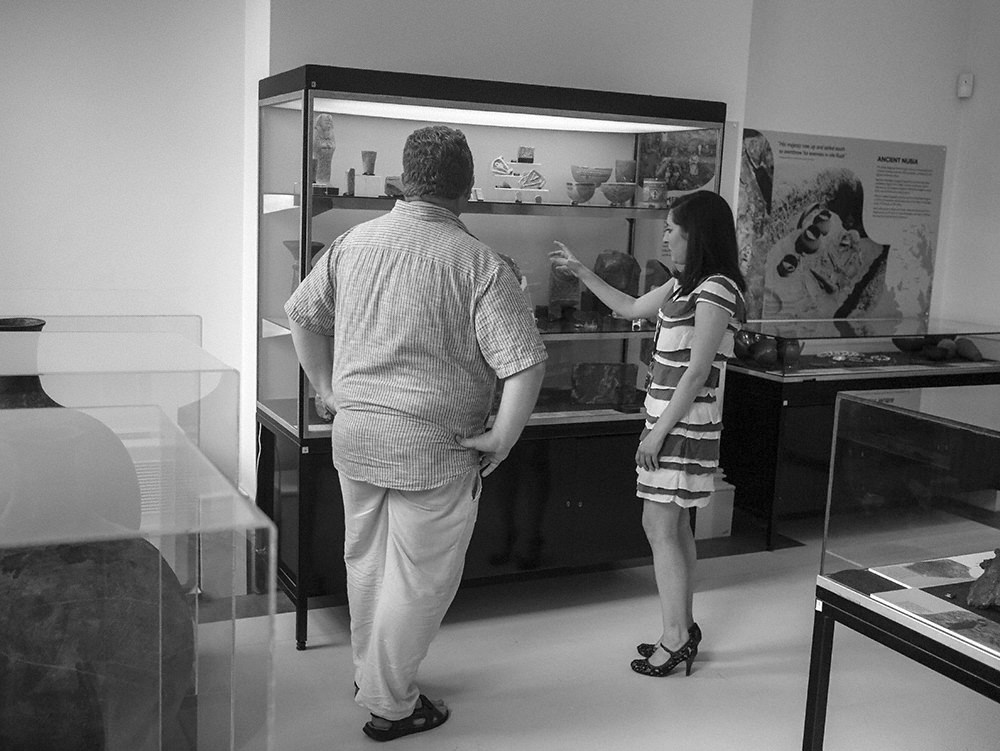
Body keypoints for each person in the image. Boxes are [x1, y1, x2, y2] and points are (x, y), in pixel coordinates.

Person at [285, 125, 547, 742]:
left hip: (355, 437)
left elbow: (301, 314)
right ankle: (391, 704)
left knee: (367, 563)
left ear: (404, 180)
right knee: (420, 578)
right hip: (435, 446)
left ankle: (371, 675)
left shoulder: (353, 243)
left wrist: (326, 390)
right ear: (468, 187)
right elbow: (525, 360)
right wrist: (502, 438)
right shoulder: (478, 262)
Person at [549, 190, 746, 678]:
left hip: (681, 427)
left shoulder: (715, 289)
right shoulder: (684, 286)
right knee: (671, 527)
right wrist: (580, 271)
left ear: (695, 235)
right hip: (668, 422)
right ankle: (680, 627)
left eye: (672, 230)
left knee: (660, 527)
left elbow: (697, 371)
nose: (665, 237)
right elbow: (628, 306)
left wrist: (656, 434)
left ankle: (676, 636)